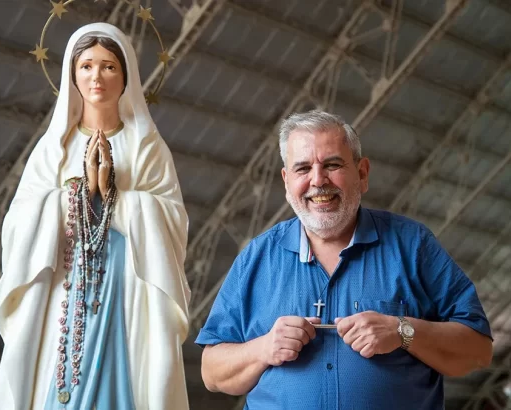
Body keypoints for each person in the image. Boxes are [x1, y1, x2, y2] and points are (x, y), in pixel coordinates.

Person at [196, 110, 493, 409]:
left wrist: (402, 331)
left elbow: (478, 350)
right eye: (303, 168)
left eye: (332, 165)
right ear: (286, 182)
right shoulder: (257, 258)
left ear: (362, 174)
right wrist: (263, 349)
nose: (318, 180)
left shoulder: (413, 245)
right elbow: (211, 373)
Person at [0, 23, 191, 410]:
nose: (96, 76)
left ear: (126, 75)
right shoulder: (54, 148)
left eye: (108, 66)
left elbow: (172, 221)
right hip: (64, 285)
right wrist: (79, 194)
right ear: (72, 75)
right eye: (86, 66)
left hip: (126, 284)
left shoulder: (146, 146)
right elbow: (18, 223)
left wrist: (114, 196)